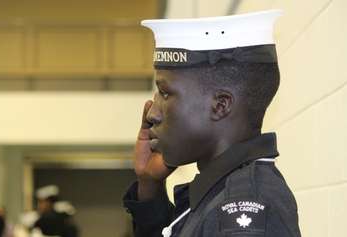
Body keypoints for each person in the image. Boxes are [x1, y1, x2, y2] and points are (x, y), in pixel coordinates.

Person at [123, 10, 301, 237]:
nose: (153, 113)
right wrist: (149, 185)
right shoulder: (219, 193)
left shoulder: (241, 210)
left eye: (165, 93)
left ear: (220, 106)